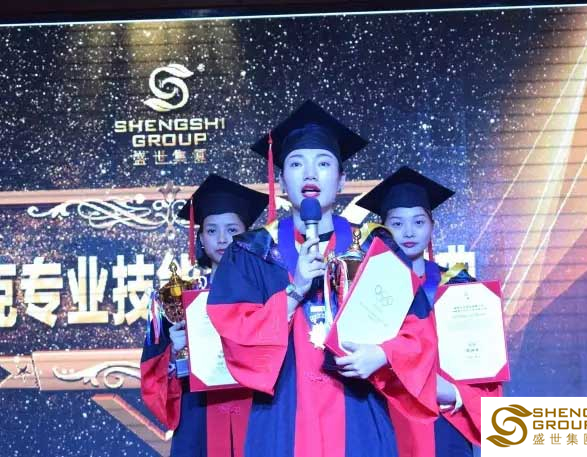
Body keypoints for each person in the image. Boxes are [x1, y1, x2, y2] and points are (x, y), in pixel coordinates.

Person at [207, 101, 440, 457]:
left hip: (359, 414)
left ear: (342, 180)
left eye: (324, 163)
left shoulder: (376, 249)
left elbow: (419, 331)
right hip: (281, 417)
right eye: (296, 164)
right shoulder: (252, 252)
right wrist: (295, 290)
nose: (310, 174)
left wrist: (383, 354)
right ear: (281, 181)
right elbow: (234, 333)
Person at [357, 166, 504, 457]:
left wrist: (454, 393)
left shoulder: (460, 289)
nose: (409, 232)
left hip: (445, 420)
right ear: (383, 229)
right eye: (397, 223)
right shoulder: (366, 289)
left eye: (418, 221)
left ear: (432, 226)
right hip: (387, 414)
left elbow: (484, 369)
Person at [140, 173, 269, 457]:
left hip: (258, 412)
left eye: (232, 229)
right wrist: (174, 354)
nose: (222, 239)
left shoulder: (269, 294)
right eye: (211, 230)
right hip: (199, 416)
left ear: (246, 235)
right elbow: (153, 377)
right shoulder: (179, 301)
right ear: (200, 238)